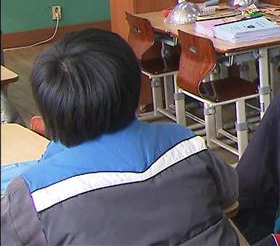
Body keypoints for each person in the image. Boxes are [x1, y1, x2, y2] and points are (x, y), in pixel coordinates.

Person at [1, 29, 241, 245]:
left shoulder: (33, 195)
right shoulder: (186, 144)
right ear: (138, 95)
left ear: (48, 117)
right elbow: (230, 194)